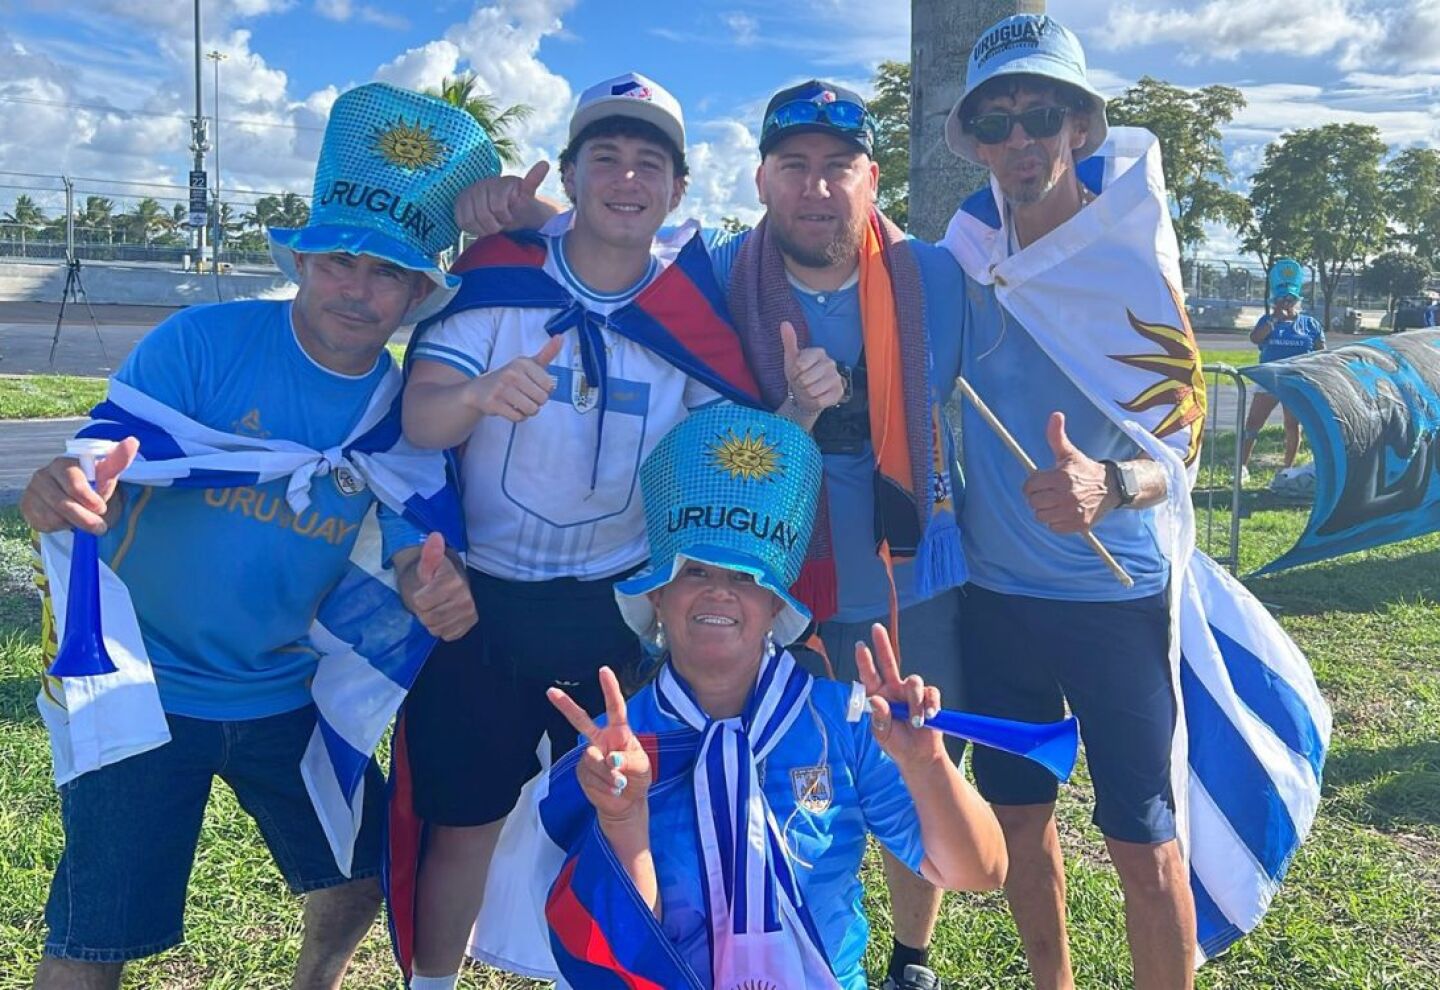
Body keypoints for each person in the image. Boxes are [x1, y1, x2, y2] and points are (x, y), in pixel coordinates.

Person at [451, 78, 971, 990]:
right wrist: (500, 204)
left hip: (901, 568)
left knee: (895, 765)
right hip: (757, 567)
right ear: (761, 179)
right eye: (794, 167)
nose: (816, 187)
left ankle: (910, 958)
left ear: (873, 179)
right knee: (748, 763)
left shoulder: (932, 278)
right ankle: (691, 941)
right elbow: (610, 234)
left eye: (838, 168)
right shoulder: (719, 274)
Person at [18, 82, 491, 990]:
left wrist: (427, 583)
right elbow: (101, 465)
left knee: (363, 880)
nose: (358, 289)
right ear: (304, 262)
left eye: (386, 271)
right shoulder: (200, 345)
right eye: (339, 260)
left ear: (417, 294)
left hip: (285, 692)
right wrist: (61, 491)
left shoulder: (404, 409)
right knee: (93, 935)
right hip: (143, 686)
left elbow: (407, 532)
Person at [393, 72, 761, 990]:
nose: (627, 178)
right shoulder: (495, 280)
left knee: (621, 825)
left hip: (618, 617)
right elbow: (416, 419)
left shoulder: (692, 310)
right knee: (463, 824)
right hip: (481, 606)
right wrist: (478, 394)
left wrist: (796, 401)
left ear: (678, 189)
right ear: (570, 170)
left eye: (650, 163)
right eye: (606, 156)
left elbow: (732, 451)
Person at [519, 404, 1006, 989]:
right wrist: (624, 820)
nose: (720, 591)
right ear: (658, 599)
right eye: (695, 571)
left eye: (748, 578)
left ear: (776, 605)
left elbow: (979, 871)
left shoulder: (839, 719)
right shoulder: (615, 742)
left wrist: (927, 764)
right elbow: (621, 954)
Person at [939, 15, 1199, 990]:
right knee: (1021, 825)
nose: (1020, 141)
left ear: (1080, 127)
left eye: (1041, 114)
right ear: (973, 140)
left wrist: (1109, 484)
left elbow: (1184, 442)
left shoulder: (1131, 262)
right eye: (996, 122)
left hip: (1117, 602)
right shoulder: (963, 256)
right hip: (999, 604)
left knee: (1145, 846)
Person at [1238, 260, 1326, 481]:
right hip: (1269, 379)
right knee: (1253, 424)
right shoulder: (1268, 321)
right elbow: (1255, 338)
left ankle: (1287, 467)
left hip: (1295, 380)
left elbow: (1320, 351)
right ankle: (1241, 467)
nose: (1286, 302)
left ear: (1298, 300)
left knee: (1292, 424)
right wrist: (1275, 319)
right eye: (1282, 298)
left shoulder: (1309, 324)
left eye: (1290, 299)